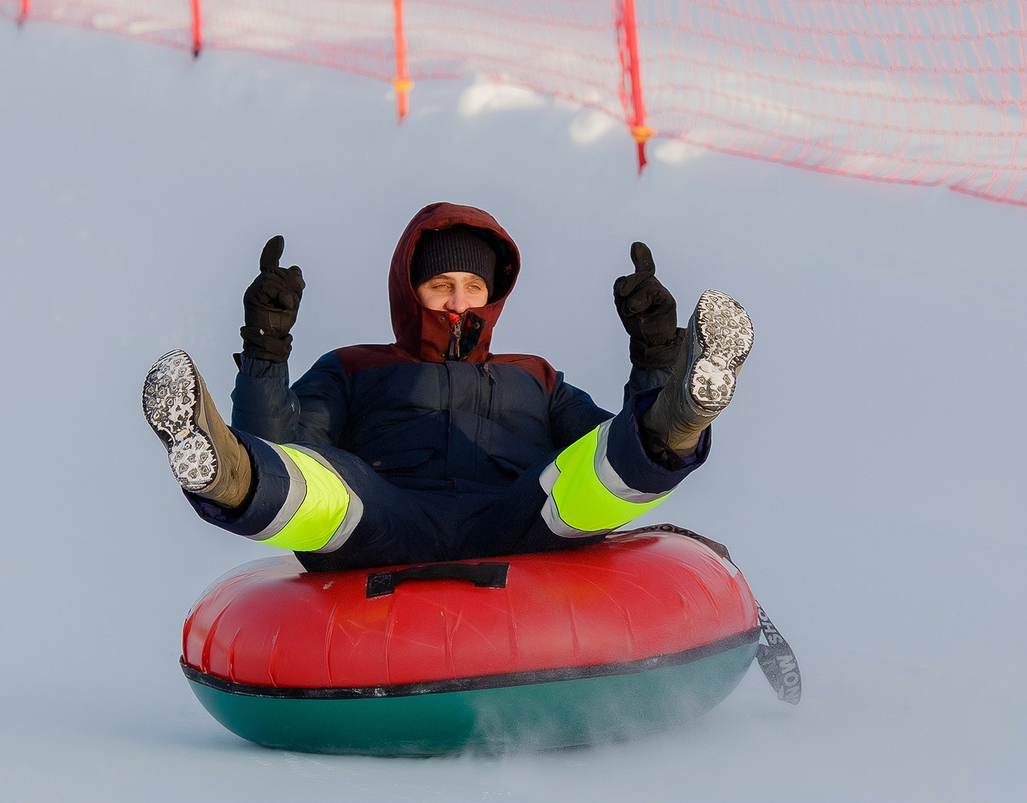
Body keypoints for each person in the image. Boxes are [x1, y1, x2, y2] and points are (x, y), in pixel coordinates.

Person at [140, 202, 752, 571]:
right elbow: (279, 439)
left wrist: (653, 355)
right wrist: (266, 351)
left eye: (474, 286)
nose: (460, 300)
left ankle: (684, 405)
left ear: (493, 295)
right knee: (333, 488)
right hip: (388, 520)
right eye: (442, 285)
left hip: (514, 518)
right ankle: (218, 468)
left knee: (580, 480)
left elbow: (604, 446)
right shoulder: (356, 367)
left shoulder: (534, 378)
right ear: (412, 291)